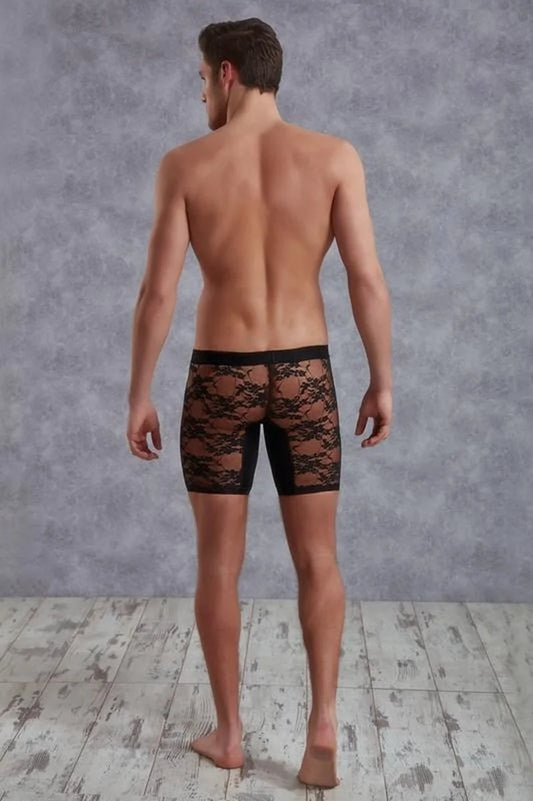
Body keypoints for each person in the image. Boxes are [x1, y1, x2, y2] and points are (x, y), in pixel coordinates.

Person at [127, 17, 393, 790]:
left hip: (221, 375)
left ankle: (230, 734)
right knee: (319, 559)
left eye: (200, 79)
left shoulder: (185, 164)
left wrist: (139, 393)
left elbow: (157, 294)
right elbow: (366, 279)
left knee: (219, 561)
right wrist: (381, 379)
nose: (199, 94)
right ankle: (322, 726)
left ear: (228, 73)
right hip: (305, 371)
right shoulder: (334, 157)